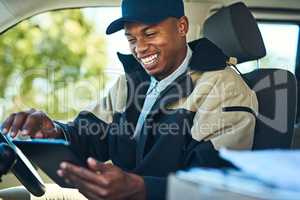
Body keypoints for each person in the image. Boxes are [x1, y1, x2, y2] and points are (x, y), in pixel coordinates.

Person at [1, 0, 258, 199]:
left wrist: (140, 189)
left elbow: (216, 185)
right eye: (131, 38)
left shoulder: (223, 88)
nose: (140, 48)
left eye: (150, 34)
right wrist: (54, 131)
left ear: (182, 27)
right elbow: (92, 134)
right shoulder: (131, 83)